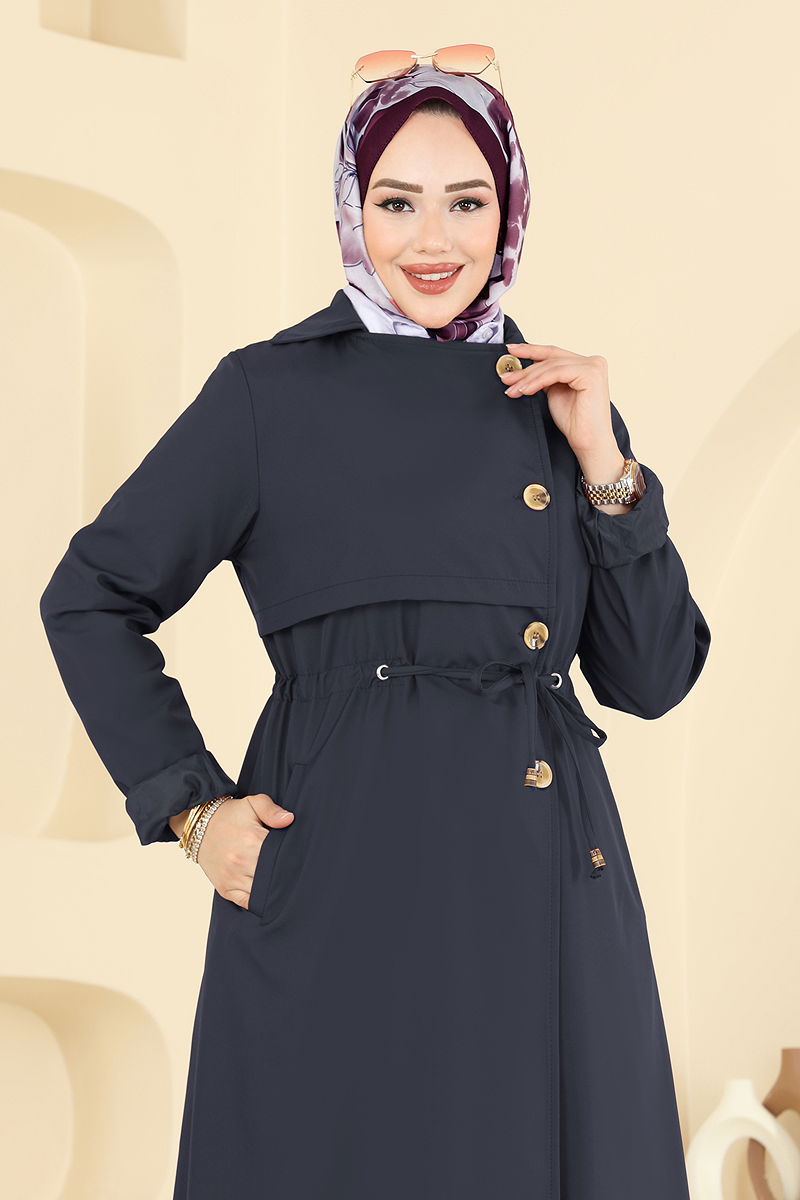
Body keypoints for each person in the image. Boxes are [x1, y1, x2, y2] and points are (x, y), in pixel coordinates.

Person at [39, 55, 711, 1200]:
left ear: (509, 210)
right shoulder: (268, 394)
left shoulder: (558, 402)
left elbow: (648, 679)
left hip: (547, 895)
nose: (431, 241)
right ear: (352, 210)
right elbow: (91, 594)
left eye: (466, 202)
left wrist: (605, 459)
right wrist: (192, 810)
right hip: (344, 890)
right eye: (396, 203)